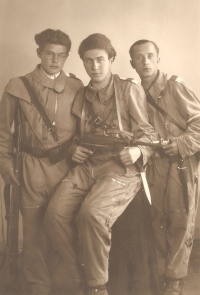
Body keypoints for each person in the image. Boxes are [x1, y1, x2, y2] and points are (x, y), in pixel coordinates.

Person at [44, 33, 158, 295]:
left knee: (92, 214)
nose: (94, 67)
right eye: (88, 61)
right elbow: (73, 135)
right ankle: (81, 275)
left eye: (100, 60)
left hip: (120, 167)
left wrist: (138, 150)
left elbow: (149, 134)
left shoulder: (129, 90)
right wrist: (75, 149)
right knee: (54, 215)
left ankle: (97, 287)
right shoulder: (81, 95)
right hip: (88, 167)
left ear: (112, 60)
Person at [0, 29, 83, 295]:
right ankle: (38, 286)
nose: (55, 60)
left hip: (66, 168)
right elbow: (3, 131)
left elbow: (84, 129)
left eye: (61, 55)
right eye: (49, 54)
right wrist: (5, 164)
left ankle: (65, 282)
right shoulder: (18, 85)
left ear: (67, 56)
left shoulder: (77, 86)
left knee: (63, 226)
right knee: (34, 229)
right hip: (31, 167)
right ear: (39, 53)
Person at [129, 39, 200, 295]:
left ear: (158, 58)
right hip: (151, 164)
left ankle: (175, 279)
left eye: (150, 56)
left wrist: (181, 144)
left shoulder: (175, 86)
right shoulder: (132, 92)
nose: (145, 62)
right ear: (132, 63)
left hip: (180, 163)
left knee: (180, 218)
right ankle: (161, 272)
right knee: (155, 218)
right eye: (139, 57)